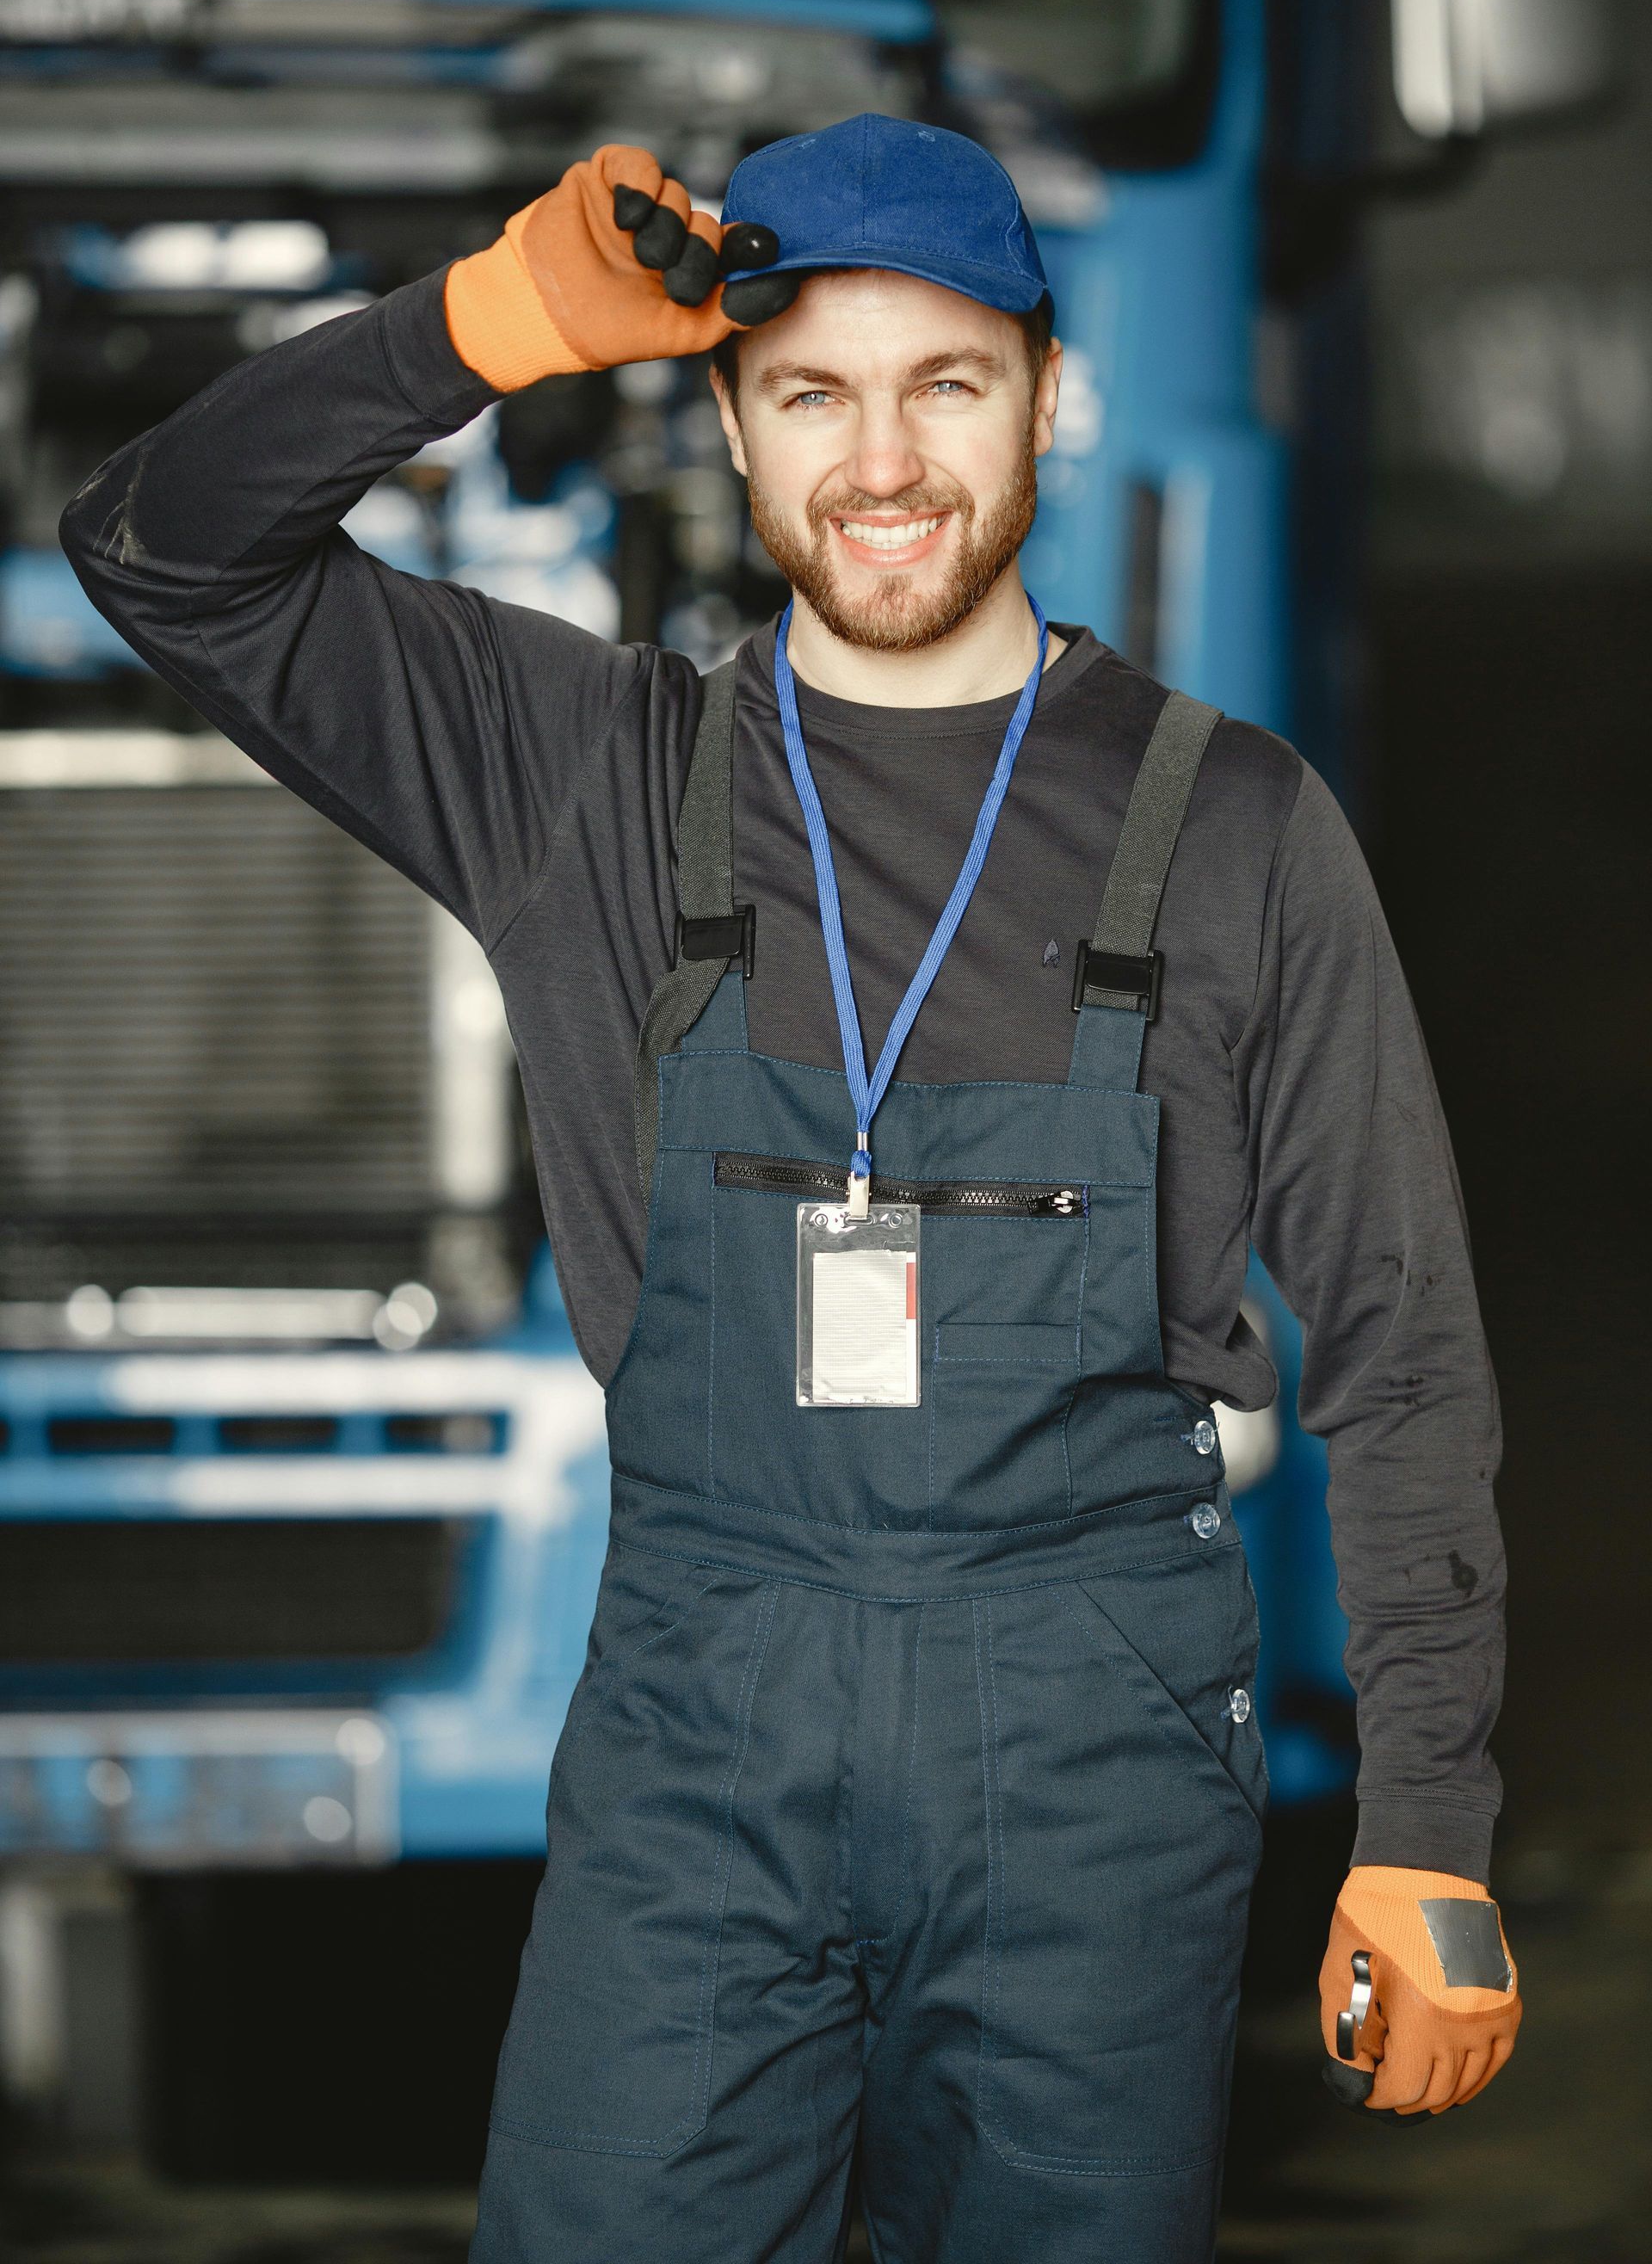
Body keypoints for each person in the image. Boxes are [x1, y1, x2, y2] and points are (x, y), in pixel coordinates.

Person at [63, 113, 1521, 2263]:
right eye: (814, 393)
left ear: (1046, 390)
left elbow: (1400, 1345)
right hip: (704, 1737)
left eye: (945, 382)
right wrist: (483, 325)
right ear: (737, 429)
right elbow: (163, 550)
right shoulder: (581, 771)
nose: (885, 463)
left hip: (1092, 1753)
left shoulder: (1238, 832)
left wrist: (1430, 1819)